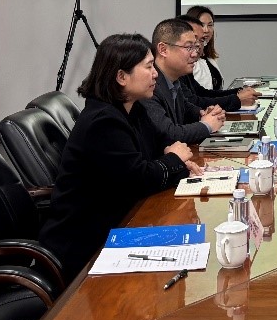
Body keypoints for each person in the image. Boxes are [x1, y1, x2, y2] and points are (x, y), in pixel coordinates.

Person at [39, 33, 200, 282]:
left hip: (121, 220)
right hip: (86, 244)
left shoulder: (133, 108)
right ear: (121, 77)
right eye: (148, 67)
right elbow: (140, 178)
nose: (155, 74)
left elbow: (161, 150)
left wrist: (175, 161)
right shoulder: (103, 122)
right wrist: (174, 160)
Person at [144, 17, 227, 145]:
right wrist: (207, 125)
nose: (195, 54)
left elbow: (186, 108)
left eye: (195, 47)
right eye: (188, 47)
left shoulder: (174, 80)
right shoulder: (149, 85)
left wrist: (203, 114)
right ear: (163, 49)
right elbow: (169, 134)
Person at [181, 14, 257, 110]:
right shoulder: (169, 77)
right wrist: (237, 99)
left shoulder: (184, 69)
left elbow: (202, 93)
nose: (198, 46)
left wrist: (238, 92)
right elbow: (195, 102)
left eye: (201, 40)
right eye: (192, 41)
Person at [185, 4, 231, 90]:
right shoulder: (188, 62)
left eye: (210, 25)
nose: (206, 30)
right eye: (202, 25)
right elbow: (202, 94)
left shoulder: (209, 58)